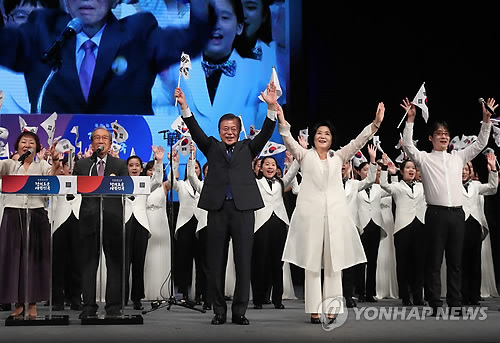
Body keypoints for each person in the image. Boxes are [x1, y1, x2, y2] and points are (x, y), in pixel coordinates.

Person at [175, 81, 277, 326]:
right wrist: (185, 106)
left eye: (233, 128)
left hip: (243, 211)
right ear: (219, 131)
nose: (229, 132)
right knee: (216, 263)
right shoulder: (211, 146)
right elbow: (195, 129)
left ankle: (239, 311)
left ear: (239, 130)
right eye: (225, 128)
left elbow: (266, 131)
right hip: (218, 211)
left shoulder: (249, 147)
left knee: (243, 262)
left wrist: (272, 106)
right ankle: (219, 311)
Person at [0, 0, 212, 114]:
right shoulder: (41, 30)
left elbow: (189, 41)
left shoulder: (139, 32)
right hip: (55, 164)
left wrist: (202, 9)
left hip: (124, 162)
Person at [278, 101, 385, 324]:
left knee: (335, 263)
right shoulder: (304, 155)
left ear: (332, 138)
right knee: (312, 262)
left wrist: (375, 124)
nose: (322, 136)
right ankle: (314, 310)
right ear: (313, 137)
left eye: (327, 133)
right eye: (319, 133)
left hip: (335, 217)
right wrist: (281, 118)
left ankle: (333, 307)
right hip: (311, 217)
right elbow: (288, 140)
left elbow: (358, 141)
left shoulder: (339, 157)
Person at [401, 96, 495, 316]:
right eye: (439, 134)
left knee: (456, 261)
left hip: (457, 215)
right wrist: (410, 120)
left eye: (446, 134)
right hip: (436, 214)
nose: (443, 136)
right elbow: (407, 145)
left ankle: (455, 302)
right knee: (434, 261)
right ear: (431, 138)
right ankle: (435, 303)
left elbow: (481, 143)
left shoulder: (458, 157)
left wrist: (486, 120)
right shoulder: (424, 158)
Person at [153, 0, 270, 153]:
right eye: (209, 18)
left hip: (236, 167)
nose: (216, 24)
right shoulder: (176, 70)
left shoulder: (258, 74)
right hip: (188, 168)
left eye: (225, 18)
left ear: (239, 27)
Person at [0, 131, 59, 318]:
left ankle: (32, 303)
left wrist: (56, 163)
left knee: (34, 261)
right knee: (14, 260)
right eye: (23, 142)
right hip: (13, 214)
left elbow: (52, 179)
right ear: (17, 146)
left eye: (31, 142)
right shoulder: (10, 164)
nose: (27, 145)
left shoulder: (41, 164)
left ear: (38, 147)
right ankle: (18, 303)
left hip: (36, 215)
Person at [72, 126, 129, 319]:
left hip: (112, 219)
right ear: (92, 143)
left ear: (111, 143)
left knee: (114, 264)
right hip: (89, 219)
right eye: (97, 138)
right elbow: (72, 192)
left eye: (105, 138)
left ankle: (113, 307)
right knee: (88, 264)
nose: (100, 141)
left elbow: (128, 190)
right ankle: (88, 307)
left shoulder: (120, 165)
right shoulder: (82, 165)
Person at [251, 154, 299, 310]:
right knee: (260, 263)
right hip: (261, 224)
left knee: (278, 263)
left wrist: (297, 155)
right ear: (261, 168)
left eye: (273, 164)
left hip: (278, 223)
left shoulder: (281, 182)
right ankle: (258, 299)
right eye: (267, 164)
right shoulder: (256, 183)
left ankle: (277, 299)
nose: (270, 167)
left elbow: (292, 172)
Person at [379, 156, 427, 306]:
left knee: (419, 263)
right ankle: (405, 296)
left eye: (413, 168)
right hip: (402, 228)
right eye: (408, 168)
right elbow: (384, 184)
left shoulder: (422, 186)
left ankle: (418, 296)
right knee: (403, 264)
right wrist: (387, 168)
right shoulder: (397, 187)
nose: (411, 170)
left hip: (420, 226)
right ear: (401, 171)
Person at [0, 0, 58, 114]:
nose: (31, 25)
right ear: (6, 20)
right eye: (21, 16)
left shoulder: (70, 66)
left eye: (41, 16)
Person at [124, 148, 164, 310]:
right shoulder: (119, 183)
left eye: (137, 165)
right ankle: (121, 297)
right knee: (123, 264)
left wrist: (159, 161)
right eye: (131, 165)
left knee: (138, 264)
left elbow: (158, 180)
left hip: (140, 224)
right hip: (124, 223)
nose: (134, 168)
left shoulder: (146, 183)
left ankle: (137, 298)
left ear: (142, 168)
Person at [341, 146, 377, 308]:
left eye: (345, 163)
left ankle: (348, 296)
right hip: (332, 226)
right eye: (339, 164)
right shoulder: (327, 184)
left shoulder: (354, 184)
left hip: (351, 228)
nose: (342, 166)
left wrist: (373, 161)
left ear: (349, 167)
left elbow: (369, 180)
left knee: (349, 264)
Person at [461, 153, 498, 305]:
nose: (464, 171)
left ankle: (474, 295)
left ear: (471, 172)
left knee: (475, 262)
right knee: (460, 262)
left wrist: (493, 170)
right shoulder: (450, 186)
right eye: (461, 169)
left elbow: (492, 188)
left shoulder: (476, 186)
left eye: (467, 169)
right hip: (459, 224)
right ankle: (462, 295)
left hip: (475, 225)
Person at [168, 149, 204, 303]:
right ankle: (183, 292)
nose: (194, 169)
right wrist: (174, 163)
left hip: (201, 225)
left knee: (201, 261)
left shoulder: (205, 185)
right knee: (184, 261)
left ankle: (200, 293)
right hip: (184, 225)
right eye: (192, 166)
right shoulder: (181, 185)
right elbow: (170, 180)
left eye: (196, 167)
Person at [51, 154, 83, 311]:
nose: (70, 168)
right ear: (62, 167)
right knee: (58, 263)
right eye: (67, 165)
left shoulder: (83, 181)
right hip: (60, 222)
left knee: (77, 261)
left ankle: (75, 297)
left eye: (74, 165)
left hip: (78, 220)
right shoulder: (56, 180)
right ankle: (57, 299)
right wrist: (55, 166)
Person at [143, 160, 172, 301]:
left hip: (161, 222)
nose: (152, 172)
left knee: (161, 254)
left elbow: (173, 179)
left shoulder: (164, 186)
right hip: (146, 220)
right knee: (147, 255)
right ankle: (143, 290)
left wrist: (176, 162)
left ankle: (161, 290)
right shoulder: (142, 187)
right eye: (149, 169)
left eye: (154, 169)